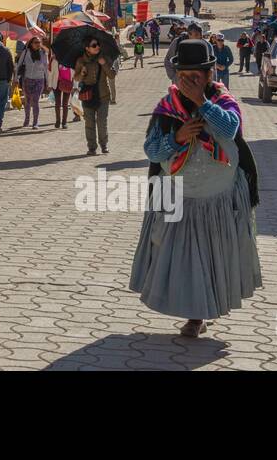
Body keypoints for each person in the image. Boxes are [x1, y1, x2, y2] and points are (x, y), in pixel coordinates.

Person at [130, 39, 262, 337]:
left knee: (212, 256)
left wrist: (203, 103)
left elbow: (231, 129)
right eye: (184, 76)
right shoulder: (167, 108)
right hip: (178, 197)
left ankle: (202, 313)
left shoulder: (223, 102)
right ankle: (193, 315)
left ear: (209, 75)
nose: (189, 82)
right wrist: (177, 138)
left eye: (196, 77)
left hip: (217, 200)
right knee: (181, 258)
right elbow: (152, 152)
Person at [74, 38, 116, 154]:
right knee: (89, 123)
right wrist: (81, 73)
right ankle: (91, 147)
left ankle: (104, 145)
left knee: (102, 122)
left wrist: (104, 65)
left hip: (103, 95)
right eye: (94, 45)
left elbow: (112, 75)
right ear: (87, 48)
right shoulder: (81, 61)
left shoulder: (104, 58)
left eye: (98, 44)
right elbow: (76, 78)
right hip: (88, 96)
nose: (97, 46)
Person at [17, 37, 49, 128]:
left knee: (35, 100)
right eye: (36, 42)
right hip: (27, 79)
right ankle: (27, 119)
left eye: (39, 42)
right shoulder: (26, 52)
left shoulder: (43, 53)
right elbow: (19, 65)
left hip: (39, 79)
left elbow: (46, 68)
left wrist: (48, 82)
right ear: (31, 43)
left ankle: (35, 122)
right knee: (27, 101)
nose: (38, 44)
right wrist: (16, 78)